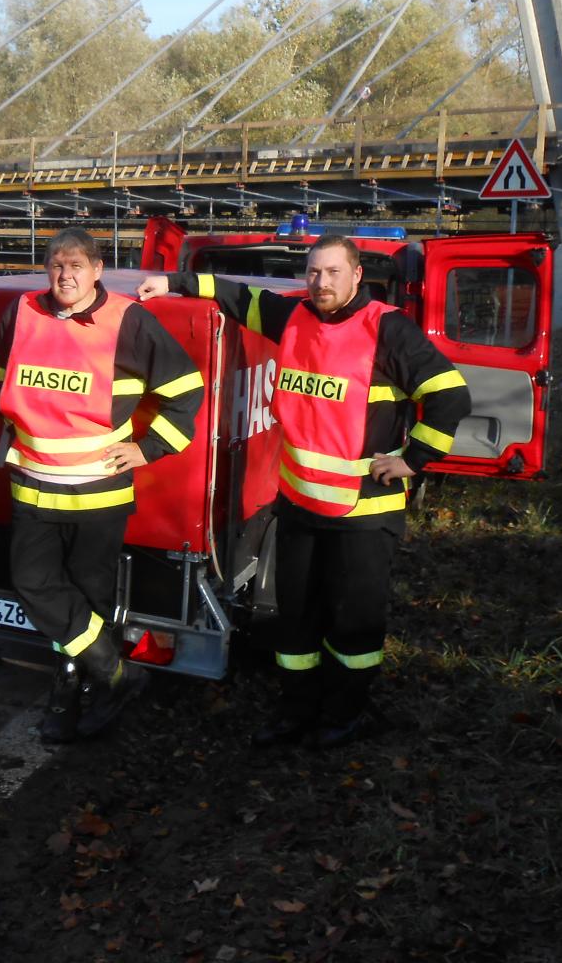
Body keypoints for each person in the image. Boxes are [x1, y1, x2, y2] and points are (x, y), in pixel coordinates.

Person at [139, 234, 471, 749]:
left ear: (357, 276)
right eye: (314, 272)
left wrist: (412, 459)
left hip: (363, 512)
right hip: (298, 505)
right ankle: (296, 709)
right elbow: (237, 297)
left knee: (353, 624)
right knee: (295, 621)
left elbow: (449, 395)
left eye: (333, 272)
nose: (321, 282)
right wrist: (173, 281)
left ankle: (345, 713)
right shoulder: (291, 317)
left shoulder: (386, 327)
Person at [0, 227, 204, 743]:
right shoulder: (21, 313)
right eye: (57, 265)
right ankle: (115, 672)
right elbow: (2, 376)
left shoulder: (128, 319)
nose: (66, 276)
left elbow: (187, 390)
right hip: (33, 485)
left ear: (97, 269)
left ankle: (75, 689)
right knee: (34, 584)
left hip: (99, 491)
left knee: (89, 596)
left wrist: (147, 448)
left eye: (77, 266)